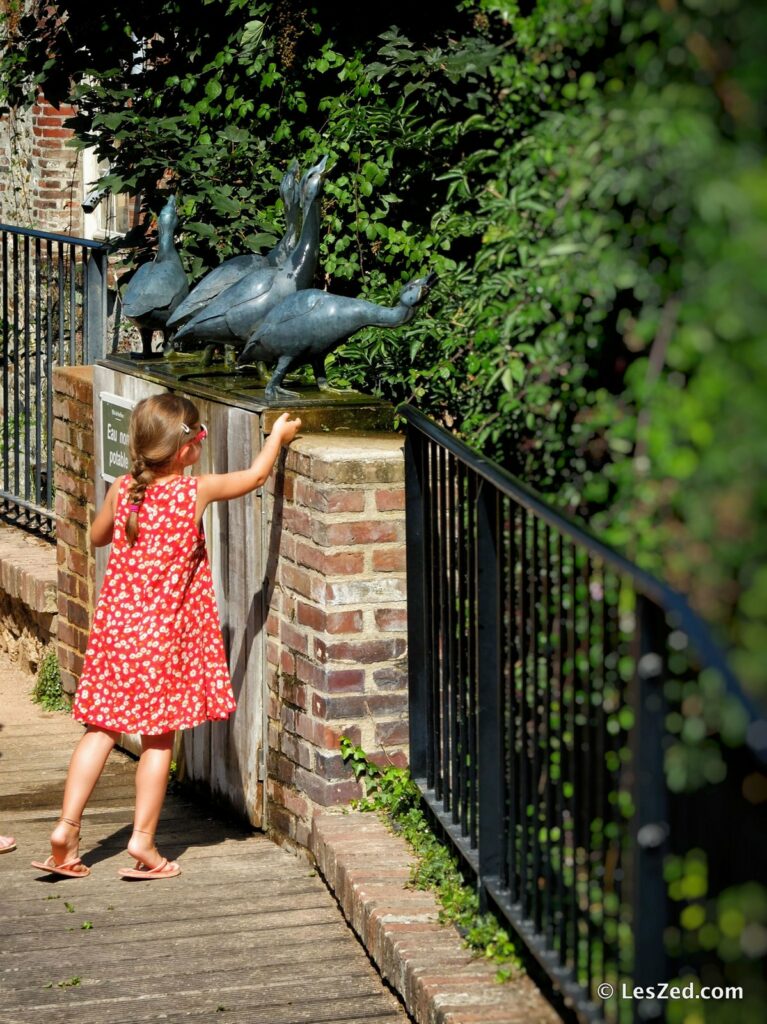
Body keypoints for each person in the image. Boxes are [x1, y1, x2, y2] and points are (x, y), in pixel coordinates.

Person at [31, 393, 301, 881]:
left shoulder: (124, 488)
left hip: (116, 635)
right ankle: (144, 842)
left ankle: (66, 830)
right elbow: (256, 478)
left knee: (100, 730)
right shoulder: (191, 492)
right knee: (158, 742)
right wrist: (278, 437)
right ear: (186, 449)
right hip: (162, 641)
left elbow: (96, 537)